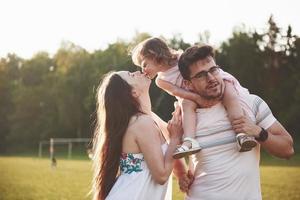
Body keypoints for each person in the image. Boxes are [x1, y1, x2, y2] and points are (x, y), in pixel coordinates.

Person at [176, 45, 294, 200]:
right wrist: (183, 175)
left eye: (213, 70)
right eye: (201, 75)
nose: (211, 78)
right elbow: (175, 153)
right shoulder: (185, 115)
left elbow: (288, 149)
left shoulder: (250, 103)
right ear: (188, 84)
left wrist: (258, 132)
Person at [131, 37, 256, 159]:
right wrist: (198, 99)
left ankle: (242, 133)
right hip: (191, 95)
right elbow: (178, 92)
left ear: (154, 55)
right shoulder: (160, 80)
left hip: (214, 82)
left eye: (144, 64)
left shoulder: (181, 58)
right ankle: (190, 141)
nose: (143, 70)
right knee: (186, 104)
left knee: (230, 95)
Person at [91, 70, 183, 200]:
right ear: (133, 92)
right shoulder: (142, 123)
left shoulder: (147, 119)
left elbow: (174, 134)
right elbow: (161, 175)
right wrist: (175, 138)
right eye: (132, 75)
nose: (138, 71)